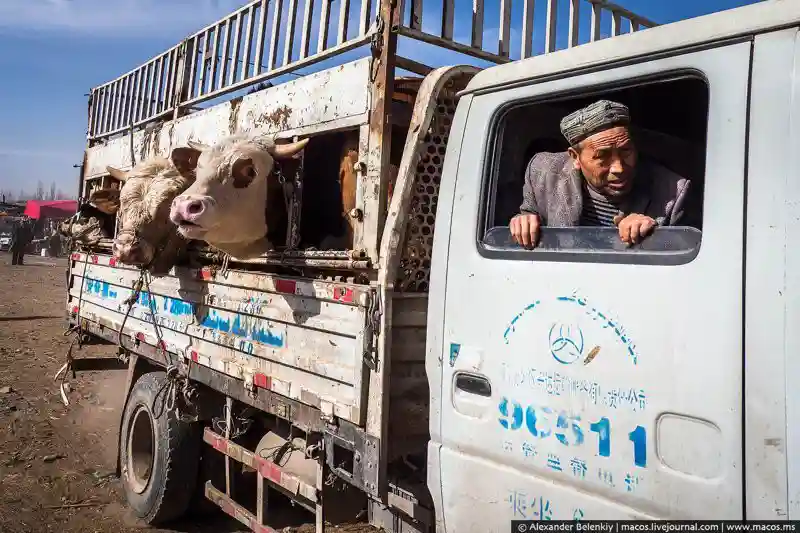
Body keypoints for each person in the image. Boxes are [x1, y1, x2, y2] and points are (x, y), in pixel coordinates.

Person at [509, 99, 691, 248]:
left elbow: (688, 256)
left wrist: (655, 235)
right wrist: (522, 221)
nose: (618, 168)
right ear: (575, 157)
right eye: (602, 156)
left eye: (626, 151)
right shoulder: (543, 171)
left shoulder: (672, 191)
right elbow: (530, 212)